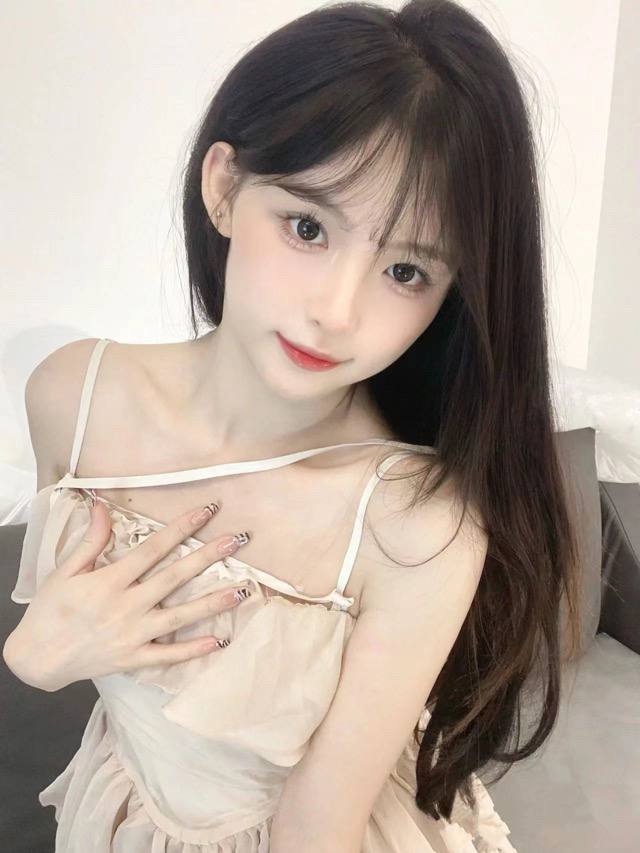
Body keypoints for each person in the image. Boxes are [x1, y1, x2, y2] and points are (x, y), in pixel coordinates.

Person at [5, 0, 585, 850]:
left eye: (406, 271)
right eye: (308, 227)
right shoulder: (71, 396)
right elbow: (83, 648)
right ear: (224, 188)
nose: (337, 312)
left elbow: (317, 829)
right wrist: (30, 658)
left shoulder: (416, 527)